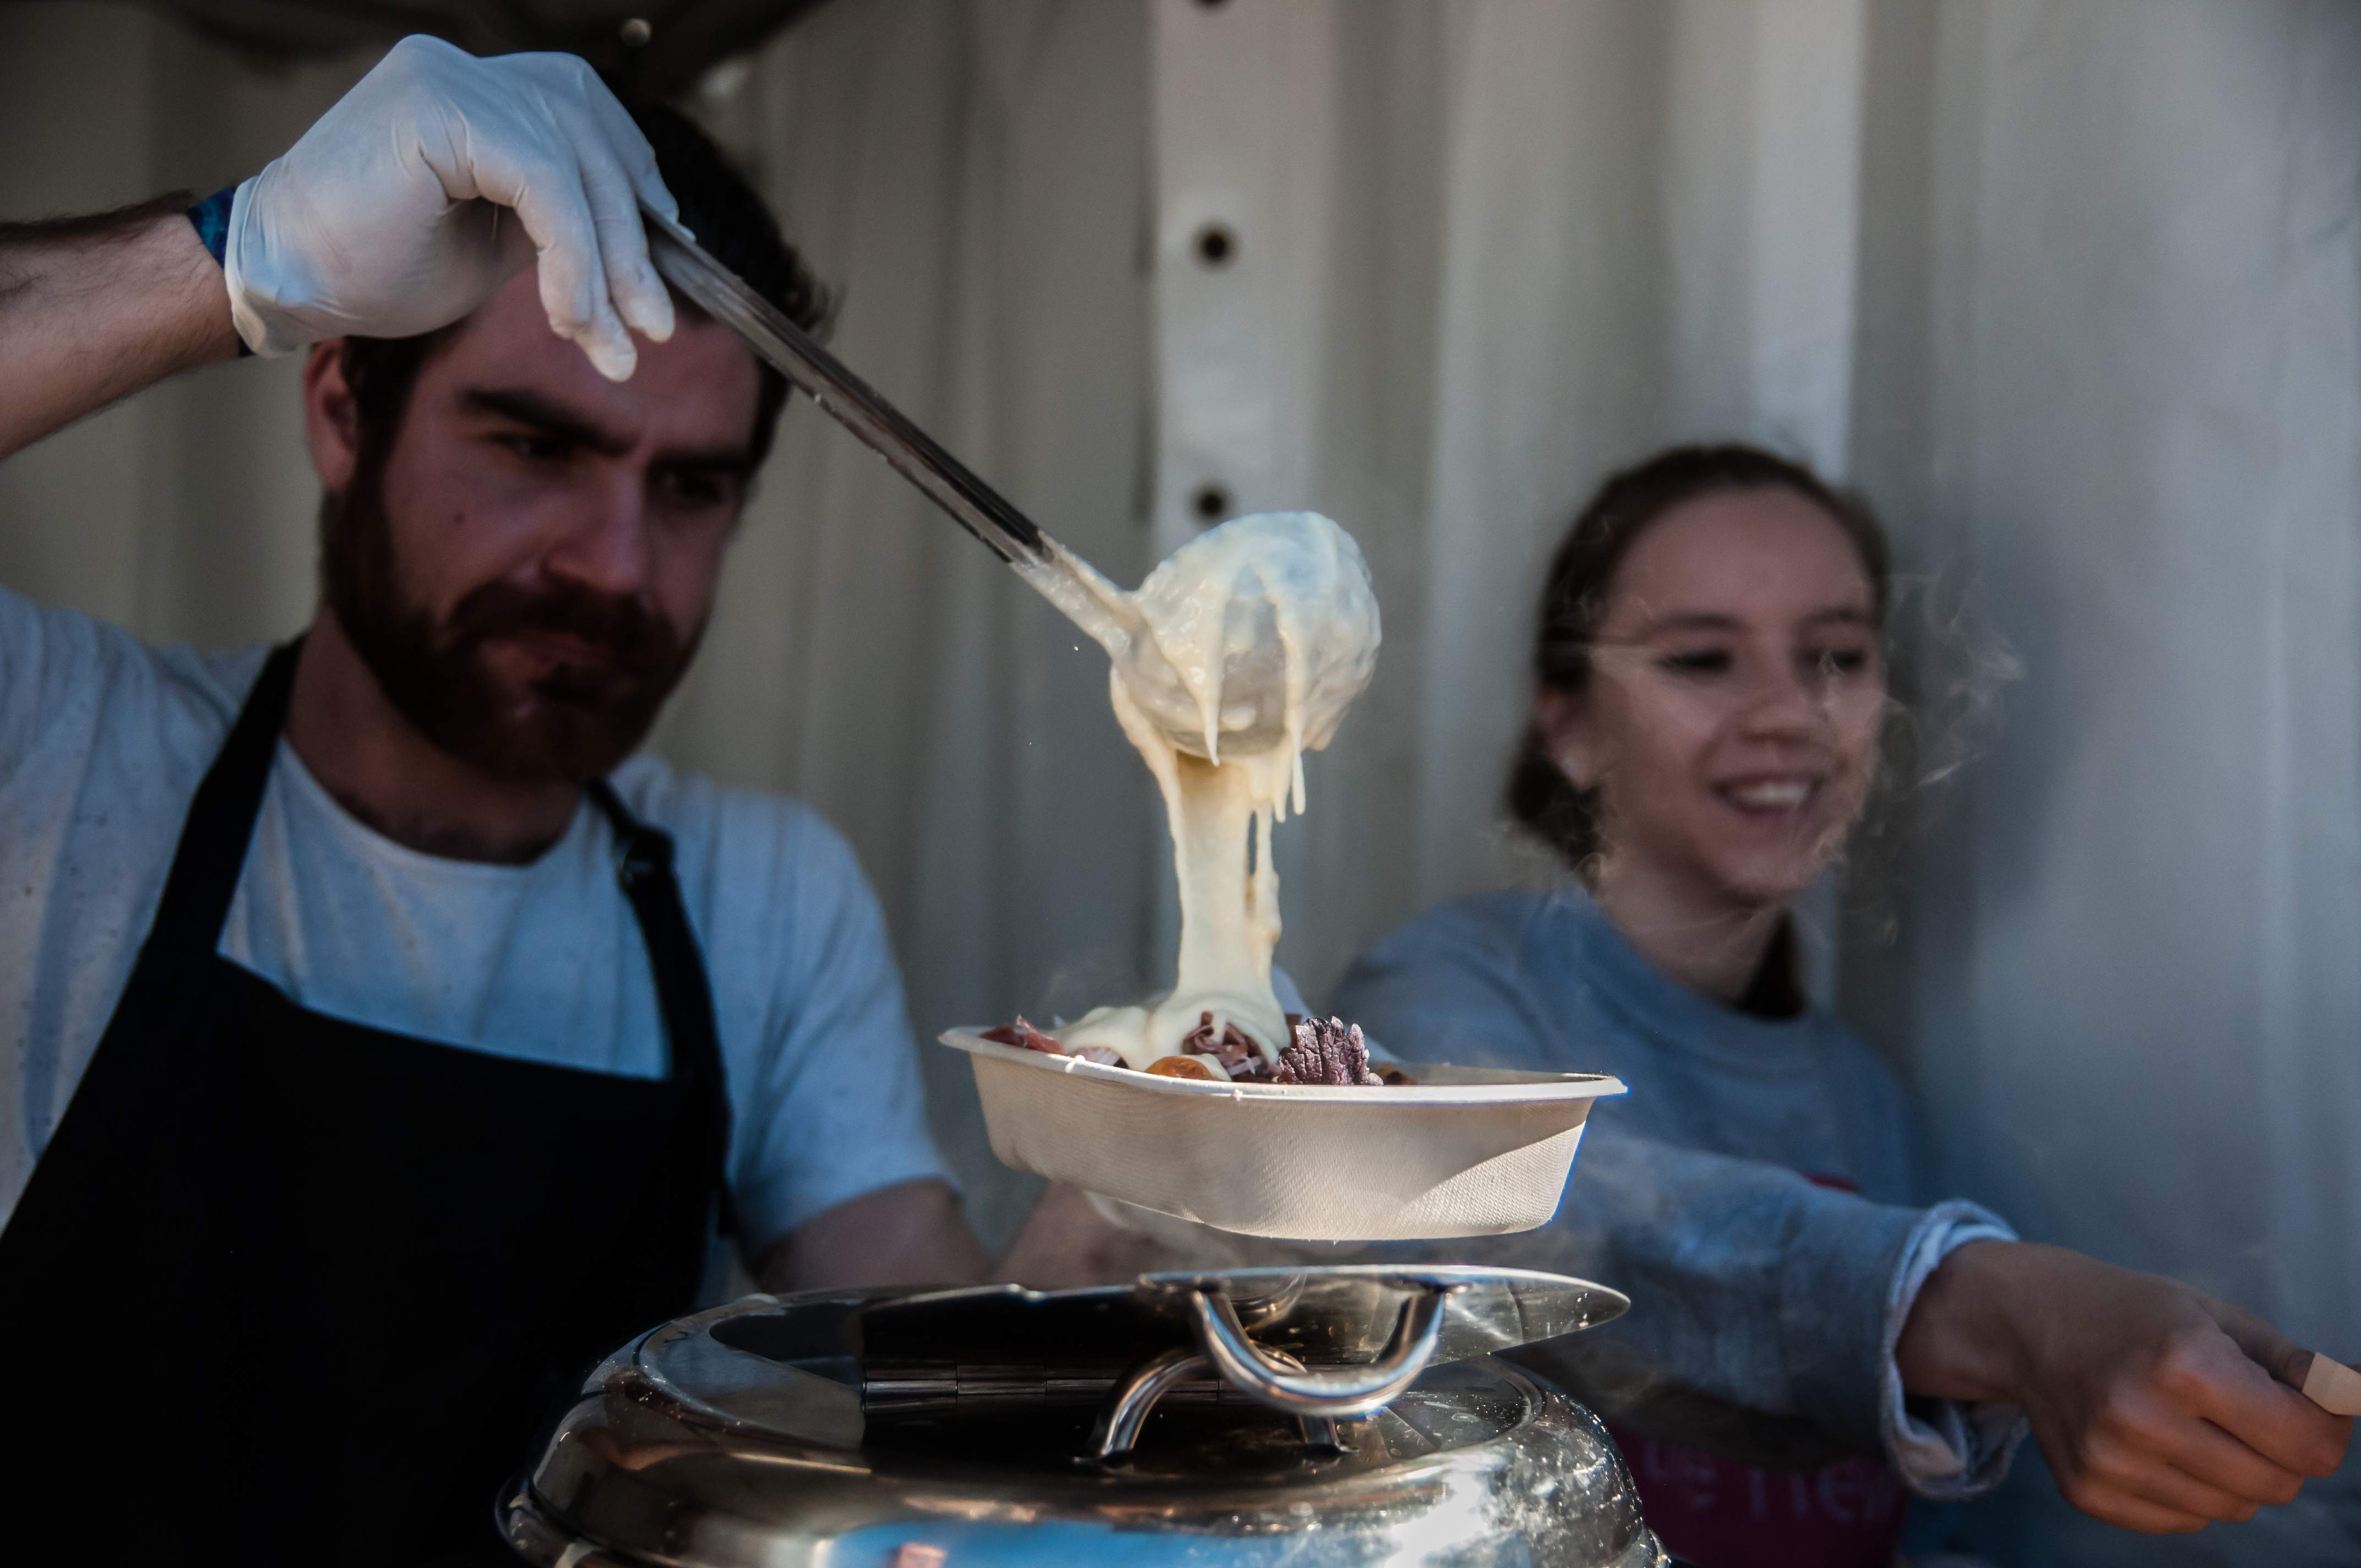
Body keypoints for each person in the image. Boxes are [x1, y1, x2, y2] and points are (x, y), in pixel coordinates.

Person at [1002, 443, 2353, 1564]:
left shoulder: (1861, 1095)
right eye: (1702, 660)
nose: (1784, 713)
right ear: (1568, 722)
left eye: (1832, 654)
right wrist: (1999, 1305)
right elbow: (1545, 1215)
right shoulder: (1442, 992)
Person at [0, 37, 984, 1564]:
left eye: (690, 486)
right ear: (340, 410)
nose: (613, 562)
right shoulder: (58, 754)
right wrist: (231, 258)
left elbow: (937, 1420)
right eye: (535, 444)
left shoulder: (761, 898)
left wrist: (1163, 1230)